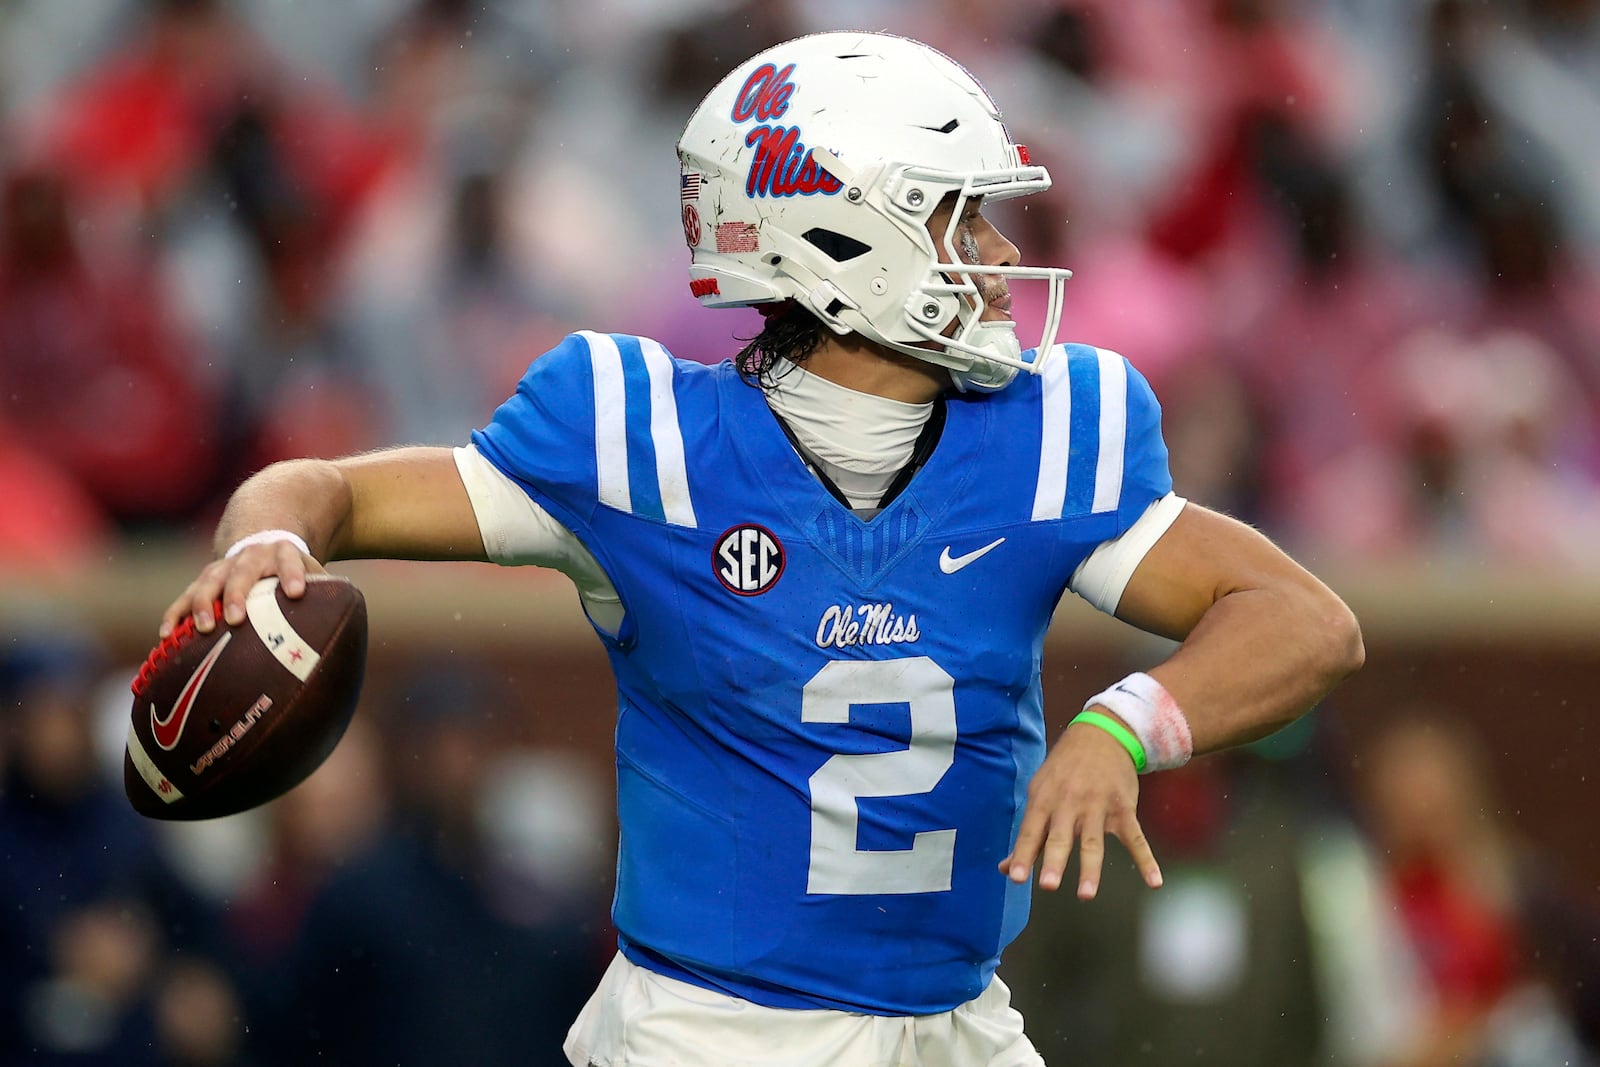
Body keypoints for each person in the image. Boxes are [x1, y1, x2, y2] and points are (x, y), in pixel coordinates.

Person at [158, 31, 1363, 1067]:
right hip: (714, 1032)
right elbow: (324, 491)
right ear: (839, 241)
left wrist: (1124, 723)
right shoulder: (642, 442)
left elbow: (1307, 621)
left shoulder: (1051, 433)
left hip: (952, 1020)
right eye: (958, 213)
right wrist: (267, 537)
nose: (997, 253)